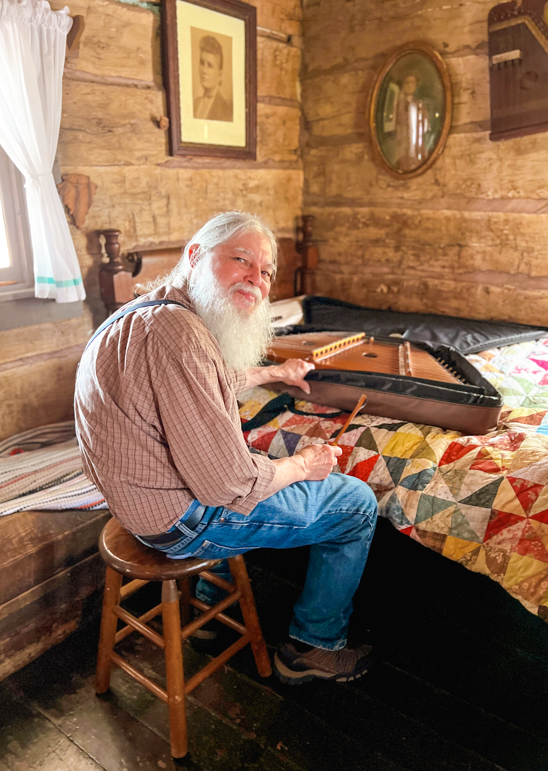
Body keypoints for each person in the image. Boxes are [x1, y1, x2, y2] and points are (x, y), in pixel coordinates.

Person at [75, 211, 378, 685]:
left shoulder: (145, 313)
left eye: (266, 272)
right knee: (356, 503)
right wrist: (302, 463)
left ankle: (212, 618)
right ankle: (313, 647)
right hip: (179, 522)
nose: (256, 279)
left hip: (134, 506)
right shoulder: (180, 335)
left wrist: (271, 374)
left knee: (243, 462)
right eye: (241, 259)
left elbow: (199, 381)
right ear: (195, 256)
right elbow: (228, 486)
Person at [393, 72, 429, 172]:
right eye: (407, 83)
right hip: (402, 146)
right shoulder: (397, 104)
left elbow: (425, 126)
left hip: (417, 145)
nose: (409, 85)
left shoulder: (420, 104)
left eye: (412, 82)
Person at [193, 35, 233, 122]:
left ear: (220, 74)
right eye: (202, 63)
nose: (203, 70)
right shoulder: (194, 104)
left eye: (210, 65)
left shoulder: (227, 110)